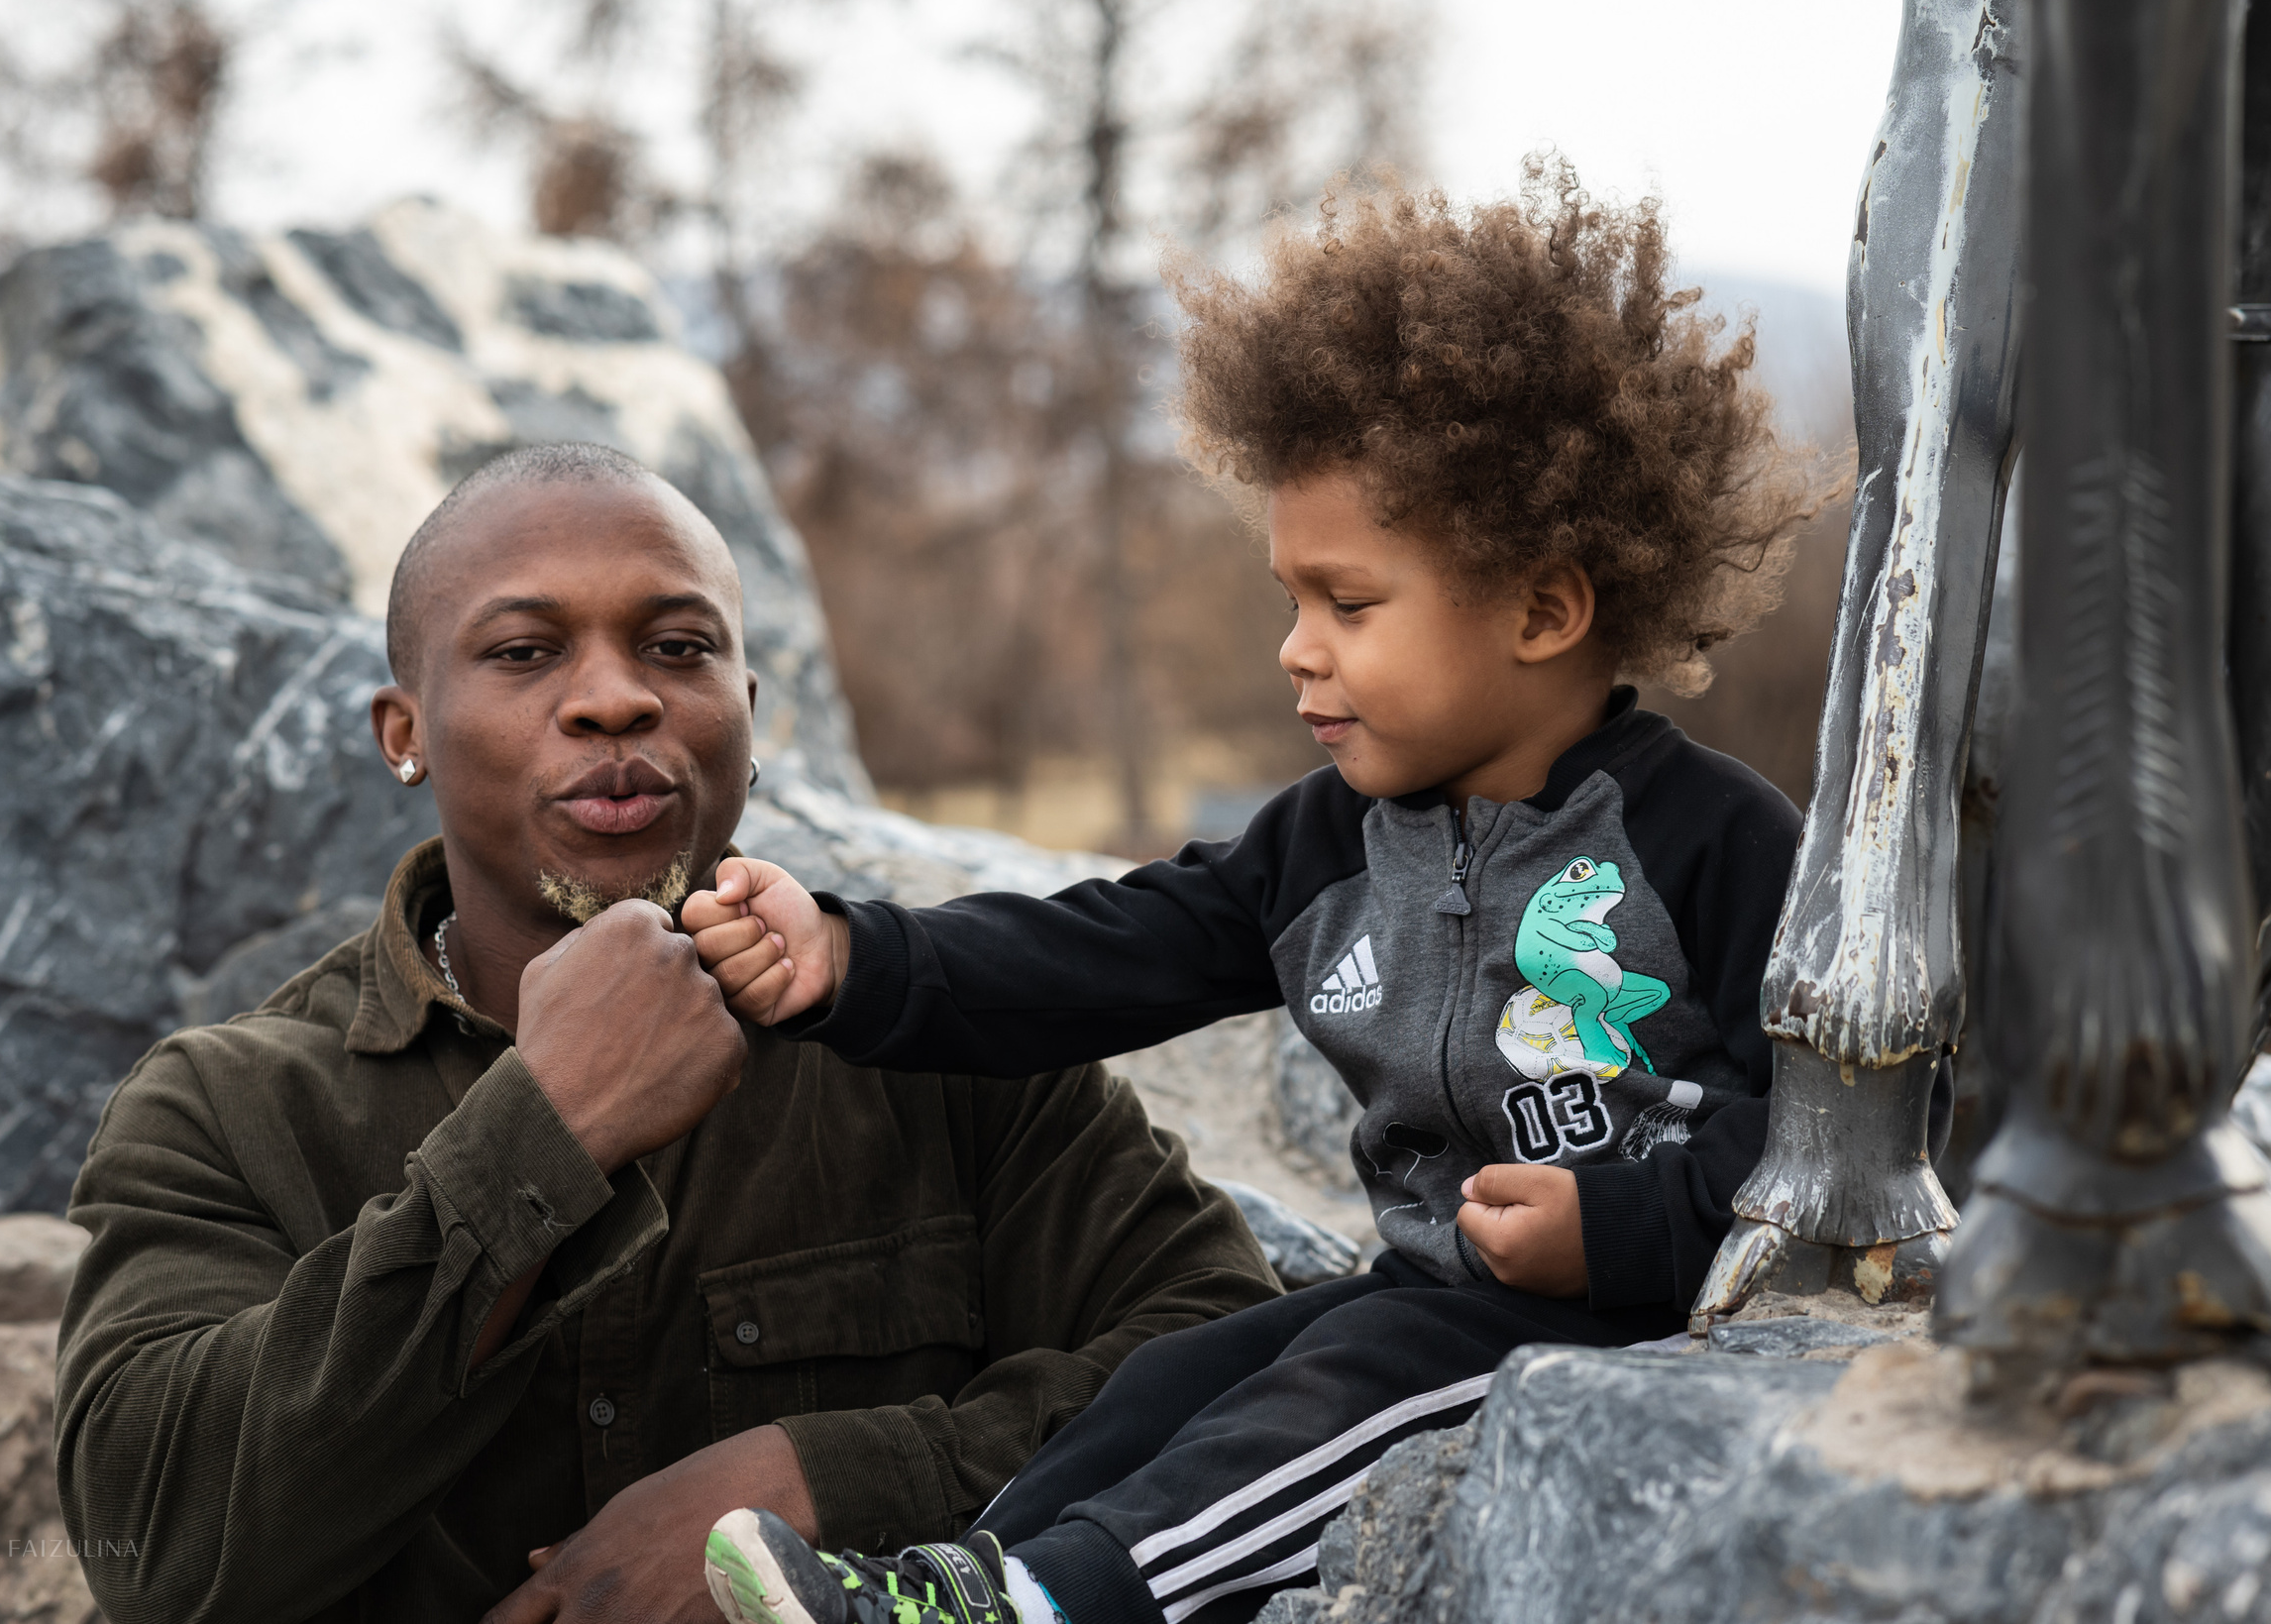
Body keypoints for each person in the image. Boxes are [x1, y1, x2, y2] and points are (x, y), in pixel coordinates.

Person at [685, 164, 1843, 1624]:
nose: (1297, 648)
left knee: (1347, 1388)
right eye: (1290, 597)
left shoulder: (1709, 840)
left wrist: (1620, 1231)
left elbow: (1831, 1133)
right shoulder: (1326, 843)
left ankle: (1042, 1608)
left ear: (1545, 610)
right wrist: (850, 956)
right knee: (1180, 1377)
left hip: (1629, 1323)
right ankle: (955, 1586)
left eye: (1349, 604)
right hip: (1430, 1298)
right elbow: (1102, 952)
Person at [51, 442, 1281, 1624]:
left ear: (744, 710)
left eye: (676, 647)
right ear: (404, 731)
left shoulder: (935, 1038)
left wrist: (819, 1482)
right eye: (525, 651)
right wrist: (544, 1130)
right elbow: (155, 1548)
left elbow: (1230, 1346)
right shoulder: (223, 1109)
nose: (615, 698)